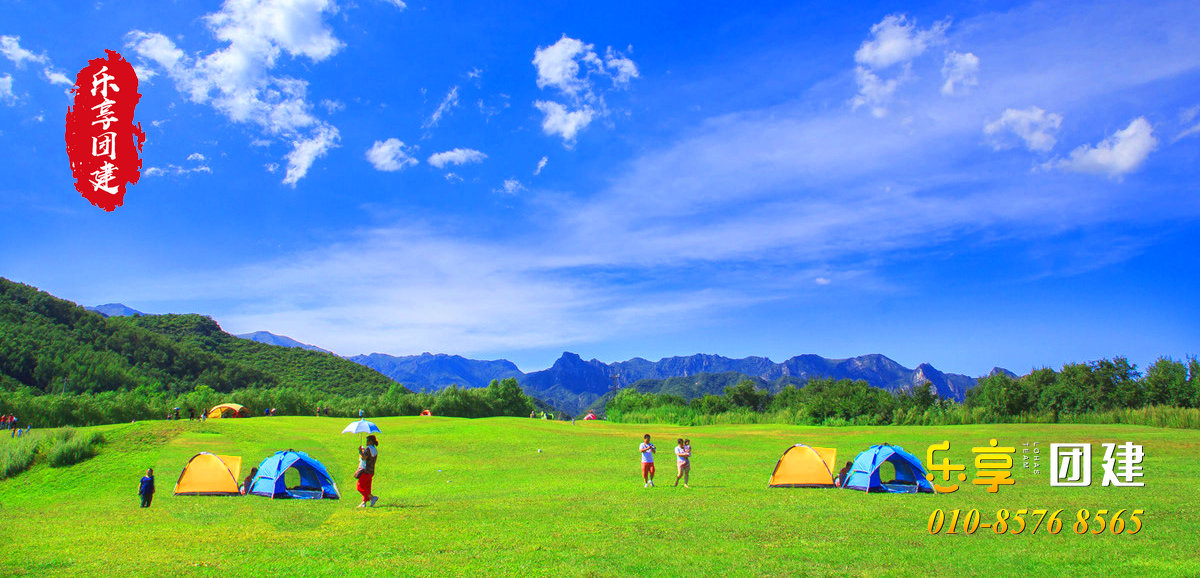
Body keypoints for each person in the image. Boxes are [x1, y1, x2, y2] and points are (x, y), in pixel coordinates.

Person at [357, 434, 379, 508]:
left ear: (370, 441)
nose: (366, 442)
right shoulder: (374, 449)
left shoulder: (368, 449)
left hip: (365, 471)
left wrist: (360, 451)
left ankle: (372, 497)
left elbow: (364, 458)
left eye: (367, 441)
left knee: (359, 486)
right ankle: (364, 503)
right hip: (371, 471)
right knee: (367, 488)